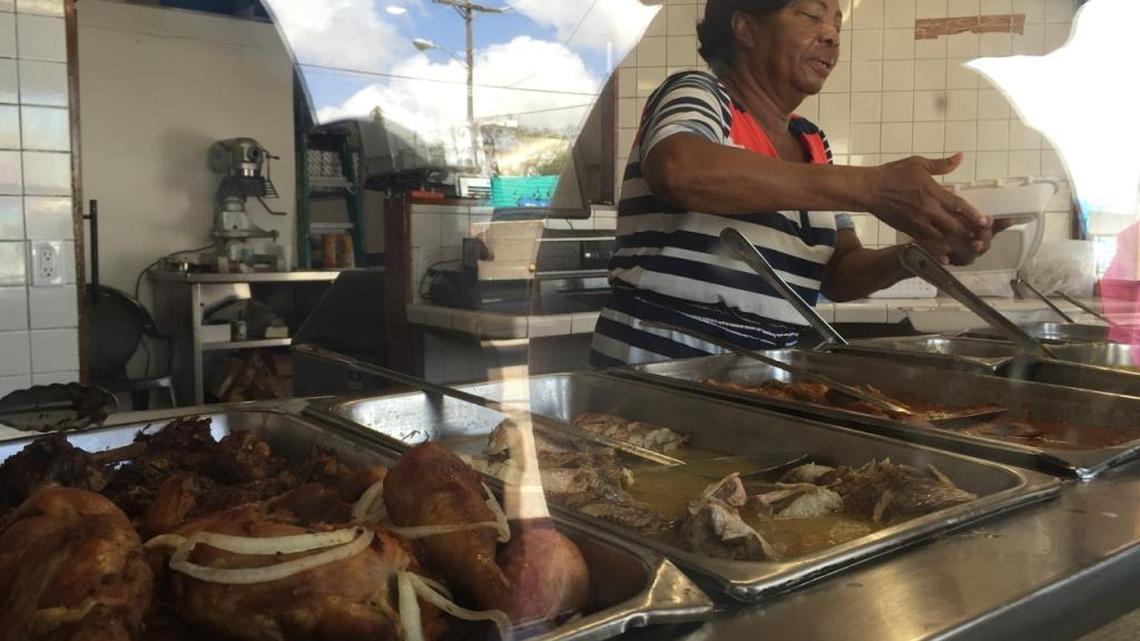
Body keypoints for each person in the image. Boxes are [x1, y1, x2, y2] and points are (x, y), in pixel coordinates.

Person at [589, 0, 1008, 368]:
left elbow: (838, 275)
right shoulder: (700, 94)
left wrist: (914, 257)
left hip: (761, 369)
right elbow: (678, 169)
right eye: (811, 15)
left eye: (839, 26)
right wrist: (872, 187)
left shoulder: (812, 142)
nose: (831, 36)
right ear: (745, 28)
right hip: (659, 361)